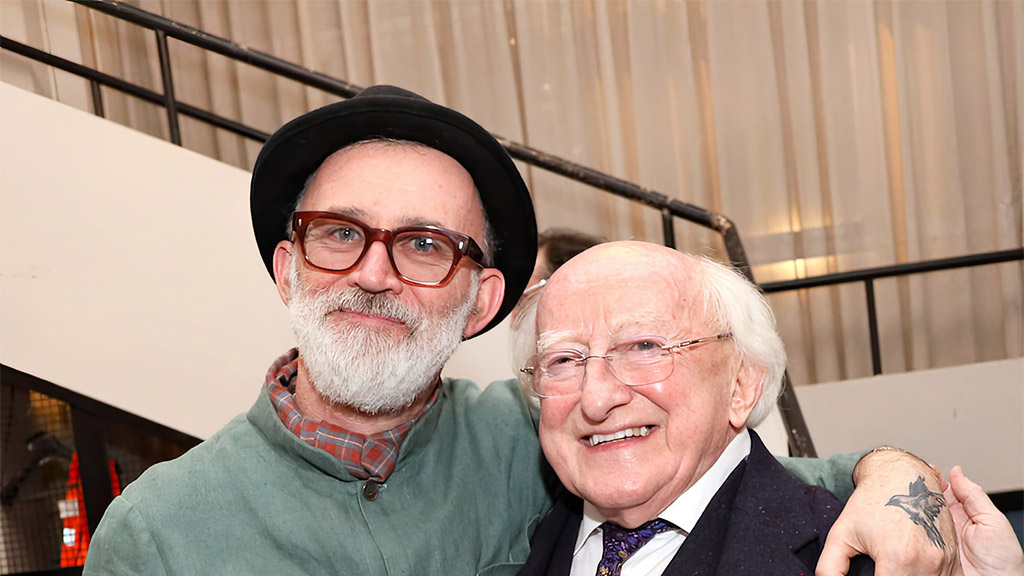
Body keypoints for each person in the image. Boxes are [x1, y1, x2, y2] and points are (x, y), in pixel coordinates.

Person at [84, 86, 953, 575]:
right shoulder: (159, 532)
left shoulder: (543, 435)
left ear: (480, 300)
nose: (375, 274)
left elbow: (768, 485)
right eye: (340, 234)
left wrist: (896, 476)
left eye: (425, 246)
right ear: (287, 269)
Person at [514, 241, 947, 575]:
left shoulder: (863, 557)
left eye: (644, 347)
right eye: (563, 360)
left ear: (741, 384)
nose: (596, 398)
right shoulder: (525, 535)